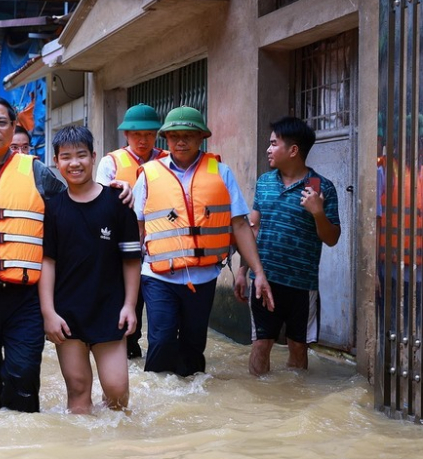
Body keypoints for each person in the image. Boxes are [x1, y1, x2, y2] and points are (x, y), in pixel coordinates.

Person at [0, 95, 130, 413]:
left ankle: (26, 453)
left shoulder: (37, 172)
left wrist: (114, 188)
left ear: (13, 126)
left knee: (23, 379)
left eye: (2, 122)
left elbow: (77, 200)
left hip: (25, 299)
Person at [134, 106, 274, 377]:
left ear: (201, 138)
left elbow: (241, 225)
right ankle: (157, 400)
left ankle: (189, 402)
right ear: (166, 139)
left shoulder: (222, 173)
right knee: (161, 341)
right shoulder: (149, 174)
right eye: (174, 136)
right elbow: (137, 227)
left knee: (193, 347)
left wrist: (258, 272)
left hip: (204, 277)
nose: (181, 141)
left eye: (188, 135)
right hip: (157, 276)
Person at [39, 125, 141, 414]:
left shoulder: (118, 203)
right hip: (67, 313)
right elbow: (48, 262)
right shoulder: (53, 209)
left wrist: (130, 306)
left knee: (117, 390)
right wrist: (49, 313)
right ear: (56, 163)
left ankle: (116, 451)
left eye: (81, 155)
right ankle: (82, 453)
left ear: (94, 157)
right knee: (79, 389)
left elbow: (131, 260)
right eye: (66, 157)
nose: (74, 163)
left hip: (109, 309)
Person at [235, 117, 340, 375]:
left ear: (293, 150)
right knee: (260, 344)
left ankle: (295, 400)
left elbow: (332, 238)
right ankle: (262, 406)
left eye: (273, 144)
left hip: (302, 286)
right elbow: (253, 229)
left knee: (298, 347)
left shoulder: (321, 187)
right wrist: (242, 270)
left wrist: (317, 212)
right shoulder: (264, 182)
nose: (268, 150)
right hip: (265, 279)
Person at [97, 103, 166, 359]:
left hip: (160, 248)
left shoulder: (168, 160)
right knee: (127, 310)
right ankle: (126, 354)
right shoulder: (110, 163)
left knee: (161, 318)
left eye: (149, 134)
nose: (143, 139)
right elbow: (100, 207)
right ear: (126, 135)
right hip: (123, 249)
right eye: (137, 134)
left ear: (156, 134)